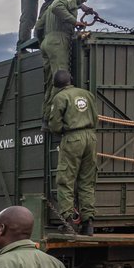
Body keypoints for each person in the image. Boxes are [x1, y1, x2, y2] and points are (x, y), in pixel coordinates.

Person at [36, 0, 98, 121]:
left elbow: (39, 26)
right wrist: (74, 21)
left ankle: (46, 117)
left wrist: (43, 42)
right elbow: (58, 7)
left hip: (47, 42)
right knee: (61, 82)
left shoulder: (58, 1)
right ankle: (55, 118)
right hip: (59, 41)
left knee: (50, 82)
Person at [48, 70, 99, 235]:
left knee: (66, 180)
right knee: (87, 181)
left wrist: (63, 130)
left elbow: (55, 125)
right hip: (91, 138)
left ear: (56, 85)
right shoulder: (87, 94)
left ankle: (69, 222)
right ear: (70, 80)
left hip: (72, 138)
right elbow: (96, 118)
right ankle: (88, 223)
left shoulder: (60, 97)